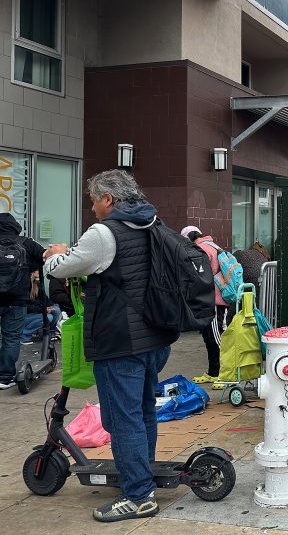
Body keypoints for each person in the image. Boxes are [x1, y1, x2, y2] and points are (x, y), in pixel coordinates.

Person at [45, 169, 177, 522]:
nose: (92, 208)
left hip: (121, 341)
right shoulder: (153, 223)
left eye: (93, 200)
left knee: (122, 418)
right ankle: (141, 475)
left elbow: (64, 268)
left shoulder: (104, 232)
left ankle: (138, 495)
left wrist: (55, 254)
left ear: (108, 199)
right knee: (143, 411)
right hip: (155, 337)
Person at [0, 213, 45, 390]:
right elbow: (43, 257)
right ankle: (4, 377)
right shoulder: (25, 243)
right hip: (16, 299)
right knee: (11, 338)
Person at [180, 227, 229, 385]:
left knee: (216, 337)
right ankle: (213, 372)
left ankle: (224, 373)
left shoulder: (202, 249)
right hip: (214, 299)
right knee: (210, 337)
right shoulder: (213, 245)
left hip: (215, 300)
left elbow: (200, 275)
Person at [21, 271, 62, 344]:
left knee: (56, 310)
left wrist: (50, 306)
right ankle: (24, 335)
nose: (40, 272)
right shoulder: (24, 286)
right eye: (38, 271)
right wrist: (43, 310)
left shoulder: (36, 284)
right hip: (26, 315)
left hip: (37, 312)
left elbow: (45, 299)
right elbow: (27, 307)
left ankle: (51, 333)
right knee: (48, 317)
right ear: (32, 273)